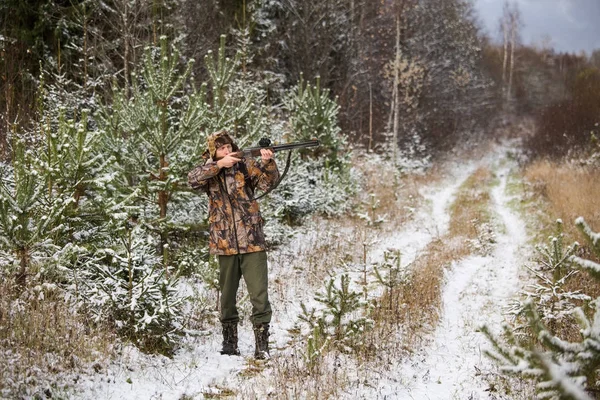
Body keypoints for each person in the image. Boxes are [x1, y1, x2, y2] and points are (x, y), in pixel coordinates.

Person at [188, 129, 279, 359]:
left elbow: (268, 184)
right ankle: (230, 343)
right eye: (221, 149)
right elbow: (192, 180)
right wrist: (218, 165)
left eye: (229, 147)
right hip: (224, 243)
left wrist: (268, 162)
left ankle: (262, 344)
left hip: (252, 241)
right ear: (214, 152)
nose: (227, 151)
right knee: (227, 296)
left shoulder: (244, 165)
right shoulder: (210, 171)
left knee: (259, 294)